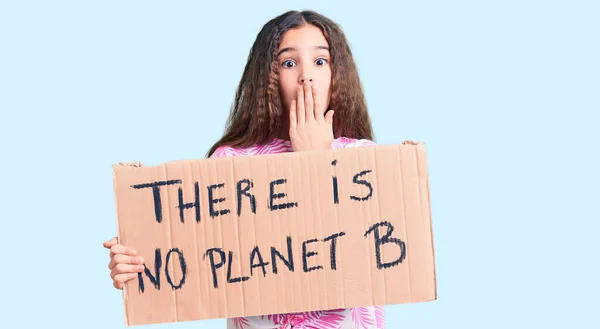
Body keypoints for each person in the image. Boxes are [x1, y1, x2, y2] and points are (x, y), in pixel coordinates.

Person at [103, 10, 385, 329]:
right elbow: (199, 263)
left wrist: (317, 161)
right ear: (267, 77)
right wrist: (138, 266)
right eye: (289, 63)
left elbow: (372, 257)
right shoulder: (231, 163)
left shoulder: (366, 160)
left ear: (338, 74)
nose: (306, 75)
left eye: (320, 61)